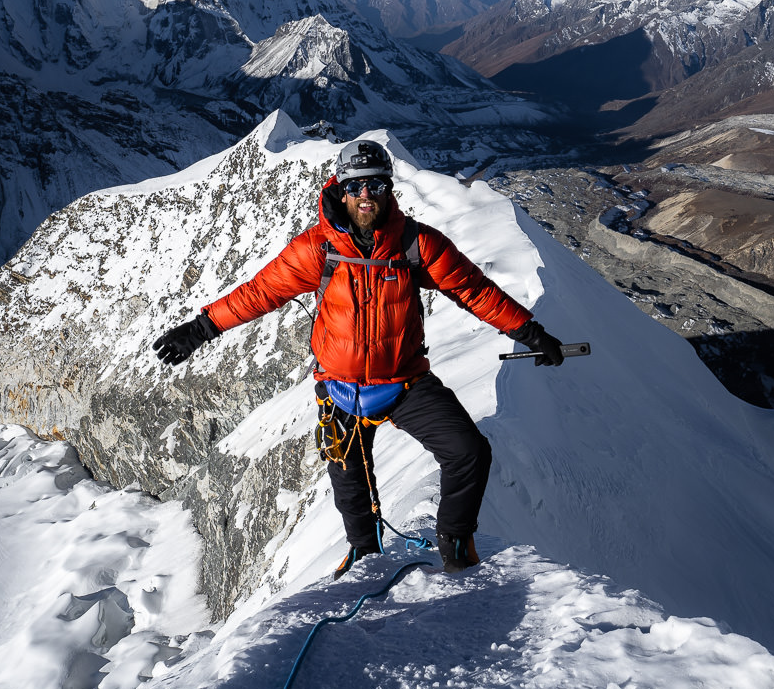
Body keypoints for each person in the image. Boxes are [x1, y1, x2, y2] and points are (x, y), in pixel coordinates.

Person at [153, 139, 564, 575]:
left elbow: (473, 290)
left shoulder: (416, 244)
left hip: (404, 381)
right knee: (349, 481)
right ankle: (365, 553)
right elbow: (261, 292)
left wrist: (530, 332)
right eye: (356, 187)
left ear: (388, 188)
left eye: (375, 185)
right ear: (340, 190)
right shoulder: (318, 248)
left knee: (469, 453)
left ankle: (456, 542)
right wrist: (201, 328)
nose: (365, 195)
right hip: (341, 386)